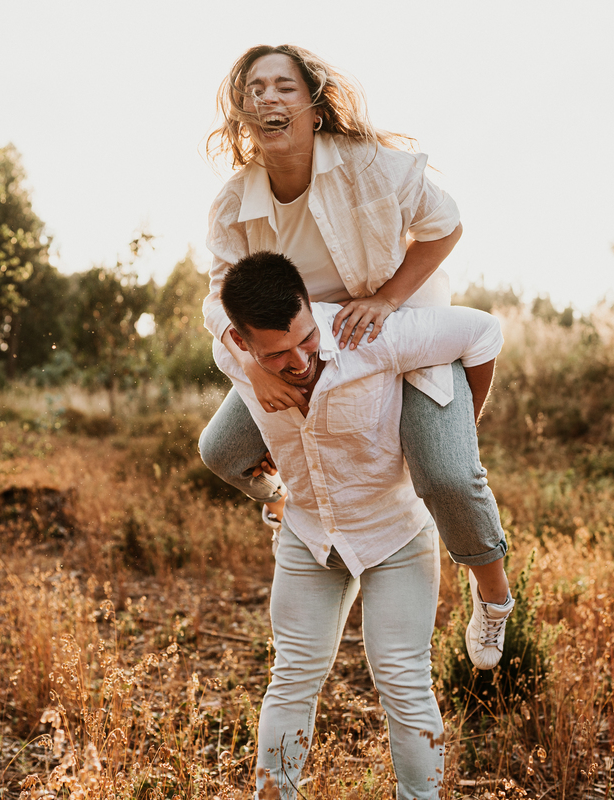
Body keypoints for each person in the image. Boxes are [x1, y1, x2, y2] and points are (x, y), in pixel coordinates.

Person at [200, 44, 514, 670]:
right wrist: (255, 366)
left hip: (396, 331)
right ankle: (290, 503)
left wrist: (389, 300)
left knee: (446, 475)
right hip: (301, 347)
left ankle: (494, 598)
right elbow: (218, 303)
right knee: (222, 450)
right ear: (241, 117)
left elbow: (445, 226)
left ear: (314, 108)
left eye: (285, 87)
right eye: (255, 89)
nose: (269, 98)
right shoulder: (235, 203)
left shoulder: (371, 166)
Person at [219, 251, 506, 799]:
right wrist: (256, 374)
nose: (300, 360)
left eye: (305, 339)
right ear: (242, 343)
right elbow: (226, 352)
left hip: (393, 528)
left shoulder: (373, 337)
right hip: (309, 531)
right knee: (292, 677)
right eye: (275, 355)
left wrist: (461, 431)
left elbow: (484, 333)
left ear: (309, 310)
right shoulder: (233, 355)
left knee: (403, 679)